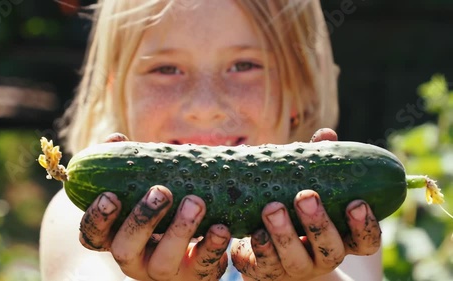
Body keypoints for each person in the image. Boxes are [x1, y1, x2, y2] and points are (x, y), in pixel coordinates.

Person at [39, 0, 383, 280]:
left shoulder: (342, 220)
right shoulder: (74, 217)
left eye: (244, 65)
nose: (205, 108)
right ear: (116, 91)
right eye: (166, 69)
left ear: (299, 89)